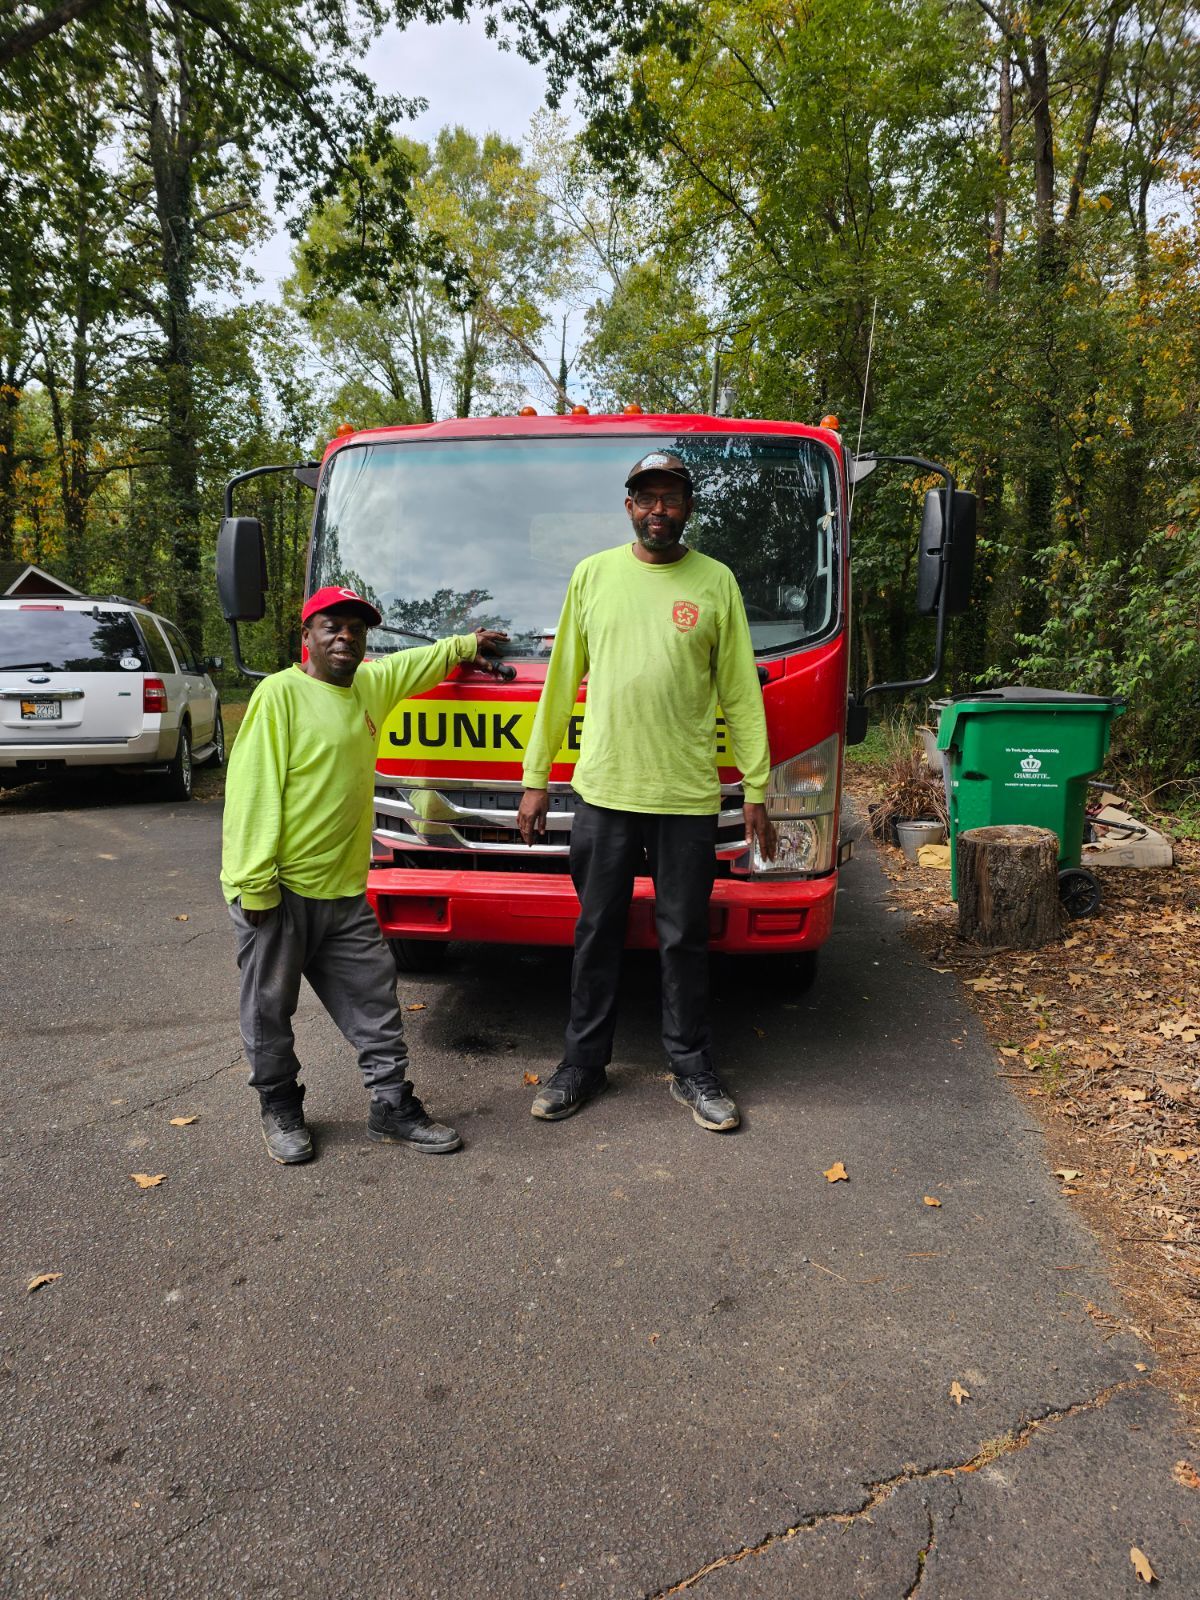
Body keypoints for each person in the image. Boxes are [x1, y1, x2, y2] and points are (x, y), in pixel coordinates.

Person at [517, 451, 776, 1133]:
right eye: (646, 497)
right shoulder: (593, 576)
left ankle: (691, 1068)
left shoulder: (715, 582)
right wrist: (535, 777)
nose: (658, 509)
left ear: (688, 507)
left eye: (671, 498)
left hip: (686, 796)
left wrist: (756, 785)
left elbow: (741, 694)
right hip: (603, 791)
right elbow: (559, 682)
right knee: (596, 931)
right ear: (628, 506)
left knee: (684, 937)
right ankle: (581, 1065)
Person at [221, 585, 507, 1164]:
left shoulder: (369, 688)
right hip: (279, 891)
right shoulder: (280, 695)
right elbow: (251, 793)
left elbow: (410, 664)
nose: (345, 637)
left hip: (345, 890)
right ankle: (279, 1106)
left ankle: (390, 1107)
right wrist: (255, 882)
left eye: (355, 628)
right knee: (268, 1010)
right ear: (307, 637)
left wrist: (463, 645)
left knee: (376, 1000)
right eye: (332, 627)